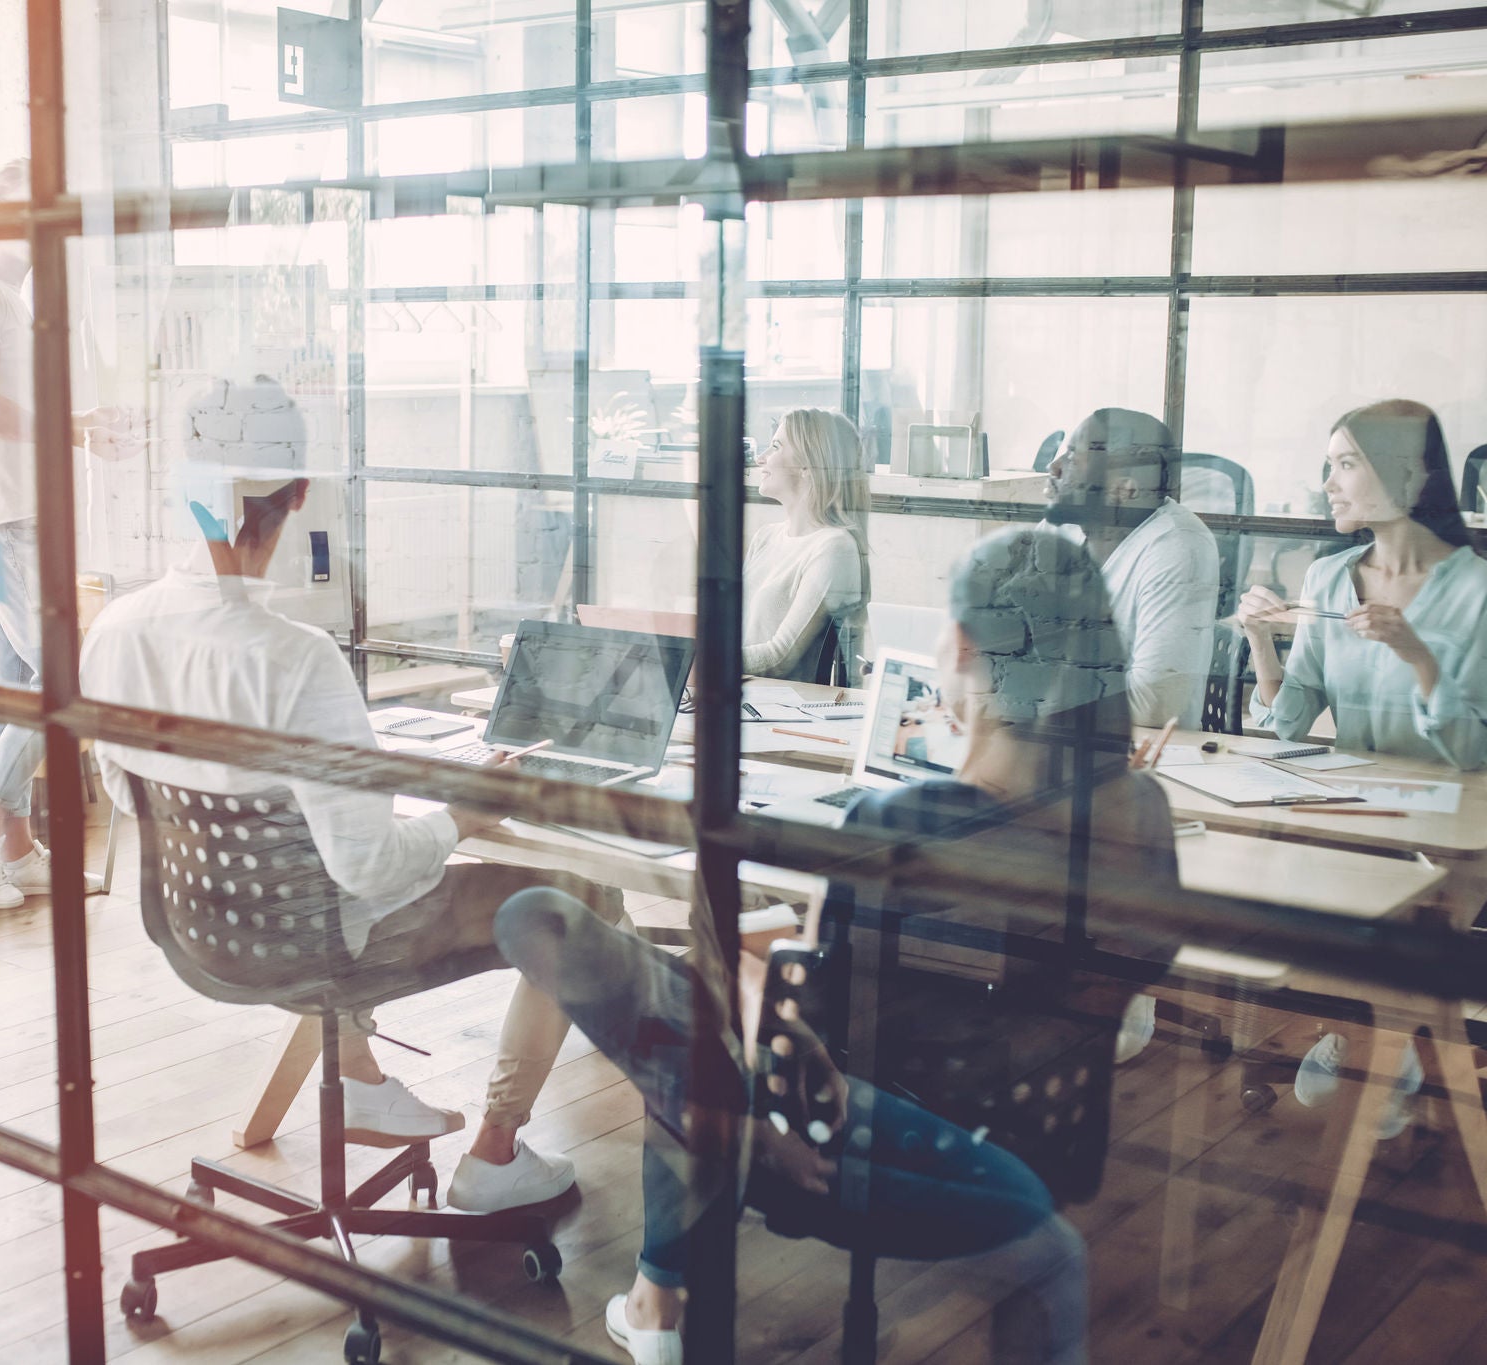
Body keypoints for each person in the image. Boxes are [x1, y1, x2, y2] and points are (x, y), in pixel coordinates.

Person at [495, 527, 1182, 1365]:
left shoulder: (900, 825)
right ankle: (653, 1299)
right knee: (704, 1007)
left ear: (959, 647)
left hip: (828, 1152)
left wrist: (742, 976)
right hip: (1021, 1148)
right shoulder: (1138, 811)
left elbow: (806, 1033)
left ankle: (655, 1304)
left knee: (561, 931)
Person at [82, 374, 630, 1213]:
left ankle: (361, 1074)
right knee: (579, 896)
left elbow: (129, 796)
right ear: (300, 494)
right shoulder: (297, 658)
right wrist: (462, 814)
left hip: (199, 932)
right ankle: (493, 1152)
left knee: (329, 879)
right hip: (315, 941)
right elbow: (370, 868)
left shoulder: (116, 628)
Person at [1237, 399, 1487, 1123]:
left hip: (1452, 830)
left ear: (1409, 477)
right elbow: (1287, 721)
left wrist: (1415, 653)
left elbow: (1471, 751)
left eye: (1346, 463)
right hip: (1353, 815)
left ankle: (1382, 1029)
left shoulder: (1475, 591)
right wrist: (1262, 643)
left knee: (1381, 924)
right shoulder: (1328, 577)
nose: (1329, 482)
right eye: (1328, 465)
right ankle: (1371, 1023)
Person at [0, 159, 125, 910]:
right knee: (60, 684)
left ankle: (13, 846)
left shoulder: (7, 297)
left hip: (3, 517)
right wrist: (77, 432)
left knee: (14, 687)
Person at [1044, 408, 1220, 728]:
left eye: (1073, 456)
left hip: (1138, 755)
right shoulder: (1059, 529)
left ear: (1123, 489)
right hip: (1050, 738)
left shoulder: (1177, 547)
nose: (1054, 467)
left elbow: (1152, 705)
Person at [743, 408, 869, 681]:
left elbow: (780, 657)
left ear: (808, 467)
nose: (761, 457)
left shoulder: (834, 547)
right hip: (734, 693)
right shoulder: (765, 537)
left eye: (775, 446)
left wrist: (703, 658)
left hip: (776, 709)